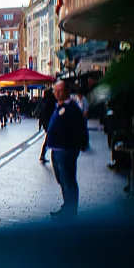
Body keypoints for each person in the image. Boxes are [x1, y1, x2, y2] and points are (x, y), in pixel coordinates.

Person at [46, 81, 89, 219]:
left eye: (60, 90)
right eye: (55, 90)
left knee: (68, 181)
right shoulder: (59, 106)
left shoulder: (72, 108)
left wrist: (76, 146)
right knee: (62, 180)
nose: (57, 93)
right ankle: (66, 206)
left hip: (66, 150)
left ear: (66, 91)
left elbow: (79, 128)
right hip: (56, 149)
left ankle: (70, 212)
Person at [38, 88, 57, 163]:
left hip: (44, 122)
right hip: (50, 122)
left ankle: (43, 154)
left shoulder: (43, 100)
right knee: (50, 138)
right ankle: (47, 155)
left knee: (48, 137)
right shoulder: (52, 100)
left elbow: (40, 112)